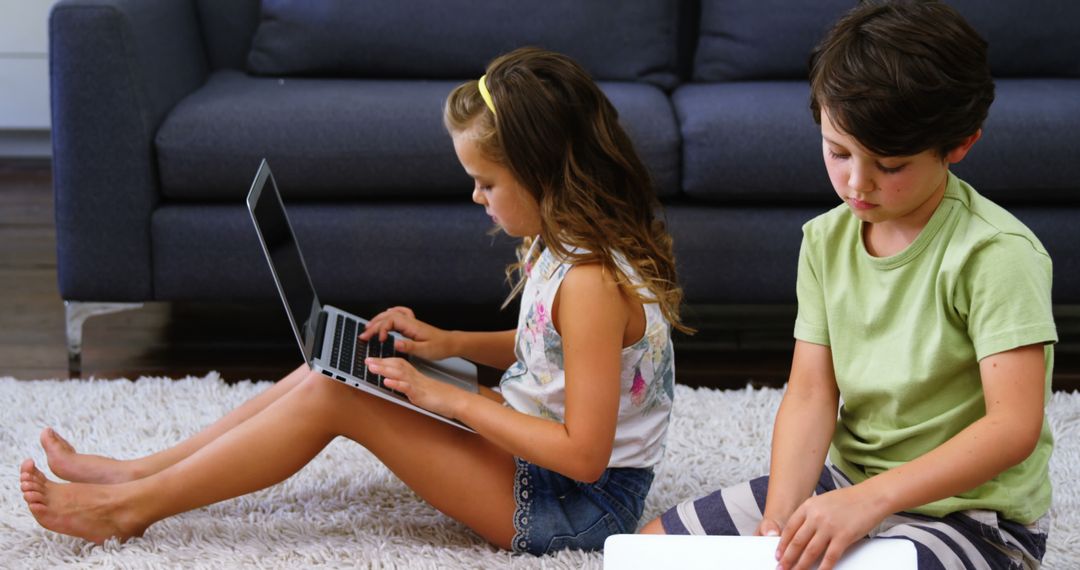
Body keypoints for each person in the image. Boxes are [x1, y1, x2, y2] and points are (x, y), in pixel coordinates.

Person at [19, 46, 688, 556]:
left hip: (574, 504)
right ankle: (138, 473)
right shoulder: (562, 241)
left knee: (337, 393)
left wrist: (451, 398)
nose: (476, 198)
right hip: (537, 456)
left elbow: (584, 456)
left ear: (542, 172)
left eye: (487, 182)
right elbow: (550, 352)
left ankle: (131, 509)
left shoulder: (593, 281)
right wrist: (448, 347)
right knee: (338, 362)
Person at [639, 2, 1056, 569]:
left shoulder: (997, 254)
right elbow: (812, 393)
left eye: (889, 165)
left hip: (974, 517)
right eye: (838, 152)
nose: (857, 183)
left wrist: (870, 501)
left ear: (959, 144)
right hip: (847, 486)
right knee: (651, 553)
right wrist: (781, 514)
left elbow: (1013, 428)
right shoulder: (825, 241)